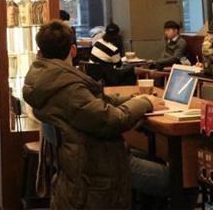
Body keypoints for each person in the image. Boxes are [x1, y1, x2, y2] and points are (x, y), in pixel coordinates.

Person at [23, 20, 169, 209]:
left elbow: (96, 104)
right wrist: (145, 103)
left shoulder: (47, 81)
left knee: (154, 158)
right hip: (100, 167)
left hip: (80, 162)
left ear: (40, 53)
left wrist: (134, 100)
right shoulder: (69, 87)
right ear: (73, 51)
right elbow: (113, 120)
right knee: (180, 179)